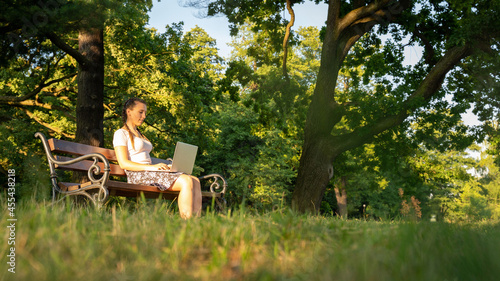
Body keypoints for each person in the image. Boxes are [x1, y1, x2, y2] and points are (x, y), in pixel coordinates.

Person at [113, 97, 202, 218]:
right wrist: (153, 167)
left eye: (145, 113)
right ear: (129, 111)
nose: (144, 116)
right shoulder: (120, 133)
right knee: (186, 180)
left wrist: (166, 166)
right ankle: (186, 222)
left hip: (150, 172)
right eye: (140, 112)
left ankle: (196, 223)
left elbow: (145, 158)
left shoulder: (140, 135)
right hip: (138, 175)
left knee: (195, 180)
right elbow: (123, 164)